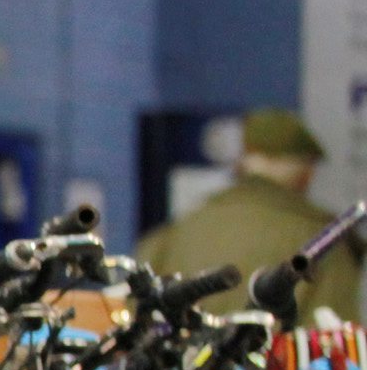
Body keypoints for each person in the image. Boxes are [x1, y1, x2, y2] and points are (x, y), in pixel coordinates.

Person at [138, 108, 358, 327]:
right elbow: (335, 341)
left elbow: (138, 323)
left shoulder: (175, 234)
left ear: (243, 162)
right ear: (304, 173)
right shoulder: (323, 245)